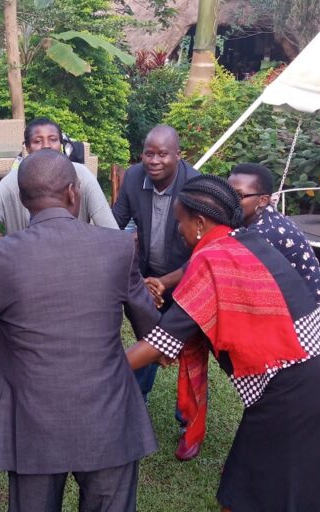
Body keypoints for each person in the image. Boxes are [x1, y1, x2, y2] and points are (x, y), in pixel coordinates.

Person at [0, 150, 160, 512]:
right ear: (74, 192)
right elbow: (151, 330)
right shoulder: (117, 247)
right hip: (109, 415)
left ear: (22, 200)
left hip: (31, 420)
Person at [126, 175, 320, 511]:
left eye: (180, 221)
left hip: (295, 384)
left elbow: (162, 342)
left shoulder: (212, 260)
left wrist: (107, 367)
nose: (177, 229)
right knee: (287, 485)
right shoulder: (243, 240)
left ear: (200, 223)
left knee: (247, 492)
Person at [0, 117, 117, 273]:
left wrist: (131, 273)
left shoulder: (81, 175)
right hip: (28, 268)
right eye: (38, 141)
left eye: (53, 139)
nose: (47, 146)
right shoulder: (13, 181)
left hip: (76, 266)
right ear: (27, 148)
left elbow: (111, 231)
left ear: (62, 144)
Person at [111, 124, 199, 401]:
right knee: (149, 339)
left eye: (163, 154)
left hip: (188, 277)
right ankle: (137, 398)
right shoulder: (135, 178)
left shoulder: (195, 185)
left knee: (191, 350)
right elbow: (114, 225)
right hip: (148, 277)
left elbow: (206, 249)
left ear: (178, 155)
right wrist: (142, 281)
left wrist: (166, 282)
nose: (154, 161)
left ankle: (186, 417)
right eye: (149, 154)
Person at [228, 163, 320, 343]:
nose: (229, 200)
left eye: (238, 196)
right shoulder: (253, 218)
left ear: (263, 200)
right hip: (308, 317)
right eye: (227, 192)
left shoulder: (263, 233)